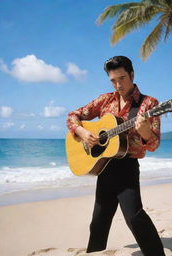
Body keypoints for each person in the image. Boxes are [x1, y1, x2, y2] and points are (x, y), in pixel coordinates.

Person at [67, 56, 166, 256]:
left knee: (135, 217)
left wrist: (145, 131)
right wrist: (82, 133)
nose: (118, 84)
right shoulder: (105, 100)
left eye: (122, 78)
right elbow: (72, 115)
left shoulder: (149, 104)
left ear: (132, 74)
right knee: (99, 220)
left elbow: (153, 144)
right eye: (113, 80)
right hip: (103, 166)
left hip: (126, 167)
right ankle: (94, 252)